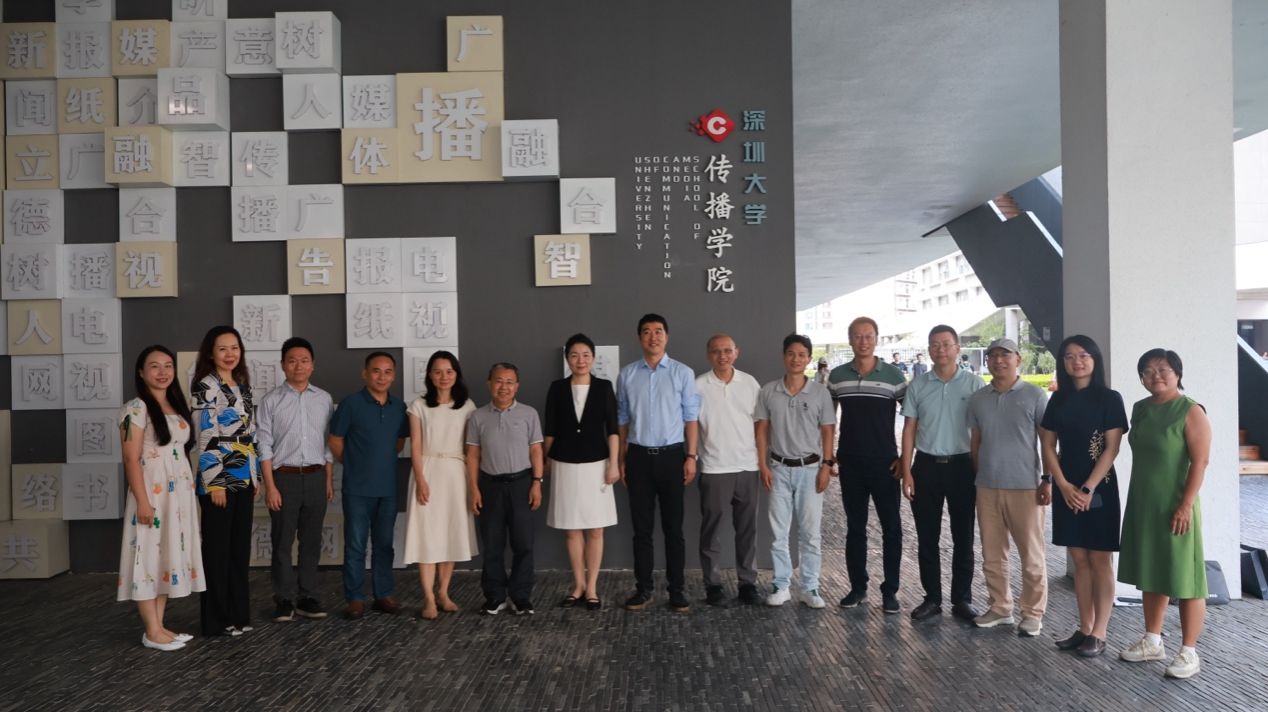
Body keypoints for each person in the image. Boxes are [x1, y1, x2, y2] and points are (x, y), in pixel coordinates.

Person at [1117, 349, 1211, 679]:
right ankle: (1153, 641)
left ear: (1177, 374)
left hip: (1176, 505)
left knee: (1186, 577)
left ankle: (1189, 652)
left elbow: (1200, 462)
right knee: (1152, 569)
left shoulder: (1191, 410)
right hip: (1144, 502)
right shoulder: (1141, 409)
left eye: (1163, 369)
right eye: (1147, 370)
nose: (1155, 375)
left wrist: (1185, 505)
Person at [1039, 335, 1128, 658]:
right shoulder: (1058, 399)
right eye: (1069, 356)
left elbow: (1112, 448)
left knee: (1100, 559)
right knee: (1079, 560)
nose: (1076, 361)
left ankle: (1100, 632)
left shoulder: (1109, 398)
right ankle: (1084, 627)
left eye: (1083, 355)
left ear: (1095, 359)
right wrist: (1062, 485)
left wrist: (1087, 488)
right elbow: (1048, 445)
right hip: (1067, 487)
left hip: (1100, 487)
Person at [117, 345, 204, 651]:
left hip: (178, 494)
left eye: (168, 365)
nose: (163, 372)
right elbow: (131, 458)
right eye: (154, 366)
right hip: (151, 492)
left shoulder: (175, 404)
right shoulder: (135, 409)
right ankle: (152, 631)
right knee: (147, 556)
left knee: (166, 555)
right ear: (141, 372)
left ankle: (159, 626)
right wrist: (143, 501)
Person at [900, 325, 984, 622]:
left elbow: (982, 430)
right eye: (935, 344)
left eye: (946, 344)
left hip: (963, 467)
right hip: (926, 467)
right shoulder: (918, 385)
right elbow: (909, 429)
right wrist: (906, 471)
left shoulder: (974, 384)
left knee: (964, 536)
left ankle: (962, 599)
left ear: (957, 348)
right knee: (927, 537)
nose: (941, 350)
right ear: (929, 349)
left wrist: (981, 469)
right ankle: (932, 598)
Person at [617, 313, 701, 613]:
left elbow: (691, 418)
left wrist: (691, 456)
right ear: (639, 337)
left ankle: (676, 590)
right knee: (641, 530)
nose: (653, 337)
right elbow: (622, 419)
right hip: (638, 458)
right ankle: (643, 589)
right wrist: (622, 458)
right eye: (647, 332)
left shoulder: (682, 373)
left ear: (667, 336)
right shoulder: (627, 375)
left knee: (673, 529)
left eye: (658, 331)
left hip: (672, 457)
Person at [967, 338, 1050, 636]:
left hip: (1026, 487)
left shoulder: (1035, 395)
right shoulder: (978, 398)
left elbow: (1047, 441)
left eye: (1005, 355)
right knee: (992, 553)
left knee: (1032, 554)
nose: (998, 361)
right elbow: (976, 441)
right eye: (993, 356)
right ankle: (1000, 608)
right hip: (987, 486)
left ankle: (1033, 613)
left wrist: (1047, 479)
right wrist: (980, 474)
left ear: (1018, 359)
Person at [829, 317, 907, 614]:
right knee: (855, 527)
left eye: (869, 336)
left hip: (886, 463)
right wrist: (829, 456)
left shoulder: (893, 375)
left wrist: (905, 458)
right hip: (850, 461)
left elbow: (912, 418)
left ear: (876, 339)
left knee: (892, 528)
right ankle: (858, 588)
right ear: (850, 339)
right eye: (858, 336)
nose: (863, 341)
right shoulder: (837, 376)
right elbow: (827, 420)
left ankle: (890, 591)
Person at [256, 337, 334, 623]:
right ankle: (284, 599)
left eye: (304, 360)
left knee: (311, 541)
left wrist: (328, 481)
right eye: (292, 361)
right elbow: (263, 445)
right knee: (282, 542)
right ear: (282, 365)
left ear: (312, 365)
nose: (298, 366)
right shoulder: (270, 401)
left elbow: (327, 444)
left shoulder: (324, 399)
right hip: (283, 479)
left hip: (315, 477)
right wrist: (270, 486)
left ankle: (307, 597)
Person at [756, 334, 836, 609]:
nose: (796, 359)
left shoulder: (820, 393)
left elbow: (828, 430)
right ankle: (781, 585)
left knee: (810, 534)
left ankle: (810, 587)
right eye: (791, 353)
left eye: (802, 354)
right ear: (784, 356)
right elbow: (761, 429)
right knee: (778, 532)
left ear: (809, 359)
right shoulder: (769, 391)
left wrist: (827, 465)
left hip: (810, 469)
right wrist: (762, 464)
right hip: (778, 468)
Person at [329, 352, 409, 620]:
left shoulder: (399, 407)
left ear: (394, 376)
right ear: (365, 373)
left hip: (387, 488)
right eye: (376, 371)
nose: (382, 377)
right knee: (355, 545)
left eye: (388, 372)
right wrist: (355, 463)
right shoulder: (350, 404)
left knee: (385, 544)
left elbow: (399, 442)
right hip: (357, 489)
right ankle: (355, 598)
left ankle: (383, 594)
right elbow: (335, 440)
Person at [544, 335, 620, 611]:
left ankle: (592, 587)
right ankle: (577, 585)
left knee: (596, 529)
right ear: (567, 359)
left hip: (597, 464)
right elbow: (550, 429)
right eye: (574, 355)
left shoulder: (604, 387)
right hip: (563, 463)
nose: (580, 360)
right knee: (571, 528)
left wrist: (614, 463)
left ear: (593, 358)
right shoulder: (557, 388)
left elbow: (613, 429)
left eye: (586, 355)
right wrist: (545, 462)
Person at [191, 325, 258, 637]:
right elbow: (205, 435)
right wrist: (215, 482)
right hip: (218, 477)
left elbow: (251, 433)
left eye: (235, 348)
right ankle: (216, 620)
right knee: (217, 552)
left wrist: (255, 475)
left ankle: (238, 616)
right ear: (210, 353)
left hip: (244, 475)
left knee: (238, 551)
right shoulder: (205, 386)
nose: (230, 354)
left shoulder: (242, 386)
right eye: (222, 349)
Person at [403, 350, 478, 620]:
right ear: (430, 376)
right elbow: (416, 445)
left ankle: (444, 593)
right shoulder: (419, 406)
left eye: (449, 371)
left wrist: (472, 484)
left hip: (455, 473)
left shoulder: (467, 406)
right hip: (428, 470)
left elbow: (471, 449)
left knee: (450, 532)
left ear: (456, 374)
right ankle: (428, 597)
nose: (444, 376)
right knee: (427, 535)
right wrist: (420, 478)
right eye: (438, 371)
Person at [466, 362, 544, 615]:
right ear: (489, 383)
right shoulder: (477, 416)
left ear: (517, 386)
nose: (504, 387)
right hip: (490, 485)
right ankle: (495, 596)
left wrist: (537, 482)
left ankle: (521, 596)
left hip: (522, 484)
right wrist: (474, 488)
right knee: (492, 545)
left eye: (509, 382)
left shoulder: (529, 414)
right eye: (499, 381)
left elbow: (536, 450)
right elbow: (473, 455)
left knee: (524, 544)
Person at [695, 334, 762, 606]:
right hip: (714, 467)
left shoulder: (750, 383)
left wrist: (761, 459)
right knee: (711, 531)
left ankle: (748, 584)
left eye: (727, 350)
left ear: (736, 352)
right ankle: (713, 585)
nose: (722, 356)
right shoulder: (698, 385)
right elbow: (691, 425)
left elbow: (760, 424)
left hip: (747, 466)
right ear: (708, 354)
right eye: (716, 351)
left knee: (747, 530)